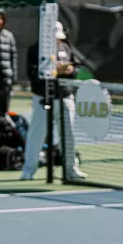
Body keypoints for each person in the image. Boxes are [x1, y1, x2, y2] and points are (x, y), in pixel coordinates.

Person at [20, 21, 87, 181]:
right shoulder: (35, 50)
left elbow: (75, 66)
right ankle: (29, 170)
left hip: (65, 97)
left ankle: (71, 169)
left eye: (58, 37)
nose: (57, 41)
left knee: (68, 135)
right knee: (36, 135)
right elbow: (34, 74)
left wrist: (71, 70)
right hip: (43, 98)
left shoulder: (66, 47)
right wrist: (56, 70)